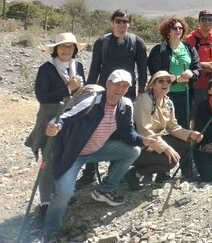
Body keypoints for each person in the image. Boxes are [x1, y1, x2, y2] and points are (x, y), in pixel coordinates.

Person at [41, 70, 157, 243]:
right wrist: (53, 126)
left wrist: (143, 140)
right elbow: (64, 118)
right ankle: (50, 231)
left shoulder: (125, 105)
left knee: (133, 151)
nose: (120, 89)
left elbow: (128, 134)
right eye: (117, 84)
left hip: (97, 150)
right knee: (64, 193)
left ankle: (105, 189)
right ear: (108, 84)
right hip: (74, 154)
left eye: (125, 86)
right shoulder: (91, 102)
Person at [80, 9, 148, 188]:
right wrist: (89, 89)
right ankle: (89, 172)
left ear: (129, 24)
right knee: (94, 130)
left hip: (126, 94)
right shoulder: (102, 42)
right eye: (119, 21)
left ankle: (115, 171)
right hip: (103, 93)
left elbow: (142, 68)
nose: (122, 24)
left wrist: (141, 90)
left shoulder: (137, 42)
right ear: (112, 22)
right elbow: (95, 67)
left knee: (121, 130)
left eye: (126, 21)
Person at [25, 33, 86, 222]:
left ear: (74, 49)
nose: (66, 50)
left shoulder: (79, 67)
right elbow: (42, 96)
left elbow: (82, 93)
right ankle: (45, 202)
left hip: (71, 119)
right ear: (55, 49)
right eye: (62, 46)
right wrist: (68, 88)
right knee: (49, 159)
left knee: (67, 156)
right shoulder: (46, 69)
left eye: (70, 47)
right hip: (49, 118)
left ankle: (62, 193)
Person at [129, 71, 203, 189]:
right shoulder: (144, 100)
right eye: (161, 81)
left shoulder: (168, 102)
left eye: (168, 81)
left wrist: (190, 134)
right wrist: (166, 148)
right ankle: (135, 173)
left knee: (186, 143)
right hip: (139, 144)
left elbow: (173, 127)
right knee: (171, 161)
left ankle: (161, 176)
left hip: (155, 141)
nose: (165, 83)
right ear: (152, 85)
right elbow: (145, 131)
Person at [147, 17, 202, 129]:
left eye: (180, 28)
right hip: (163, 95)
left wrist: (192, 73)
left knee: (182, 127)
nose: (178, 30)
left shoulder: (189, 49)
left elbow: (198, 69)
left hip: (185, 94)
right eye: (174, 28)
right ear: (167, 31)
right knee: (160, 126)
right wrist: (176, 79)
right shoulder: (159, 50)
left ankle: (183, 147)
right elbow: (155, 73)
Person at [184, 10, 212, 114]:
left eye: (210, 19)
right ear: (199, 21)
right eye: (204, 19)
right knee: (197, 114)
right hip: (197, 84)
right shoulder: (190, 39)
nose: (207, 22)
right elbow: (185, 60)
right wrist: (202, 65)